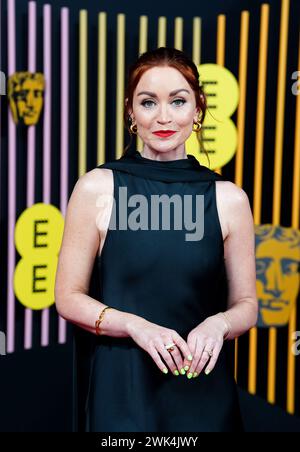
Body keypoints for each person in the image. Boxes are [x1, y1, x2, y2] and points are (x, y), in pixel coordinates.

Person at [55, 47, 258, 432]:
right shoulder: (99, 187)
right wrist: (135, 325)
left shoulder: (229, 198)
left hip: (204, 396)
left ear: (197, 109)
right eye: (148, 102)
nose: (163, 117)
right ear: (131, 110)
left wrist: (218, 324)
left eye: (178, 101)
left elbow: (246, 304)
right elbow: (68, 297)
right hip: (123, 396)